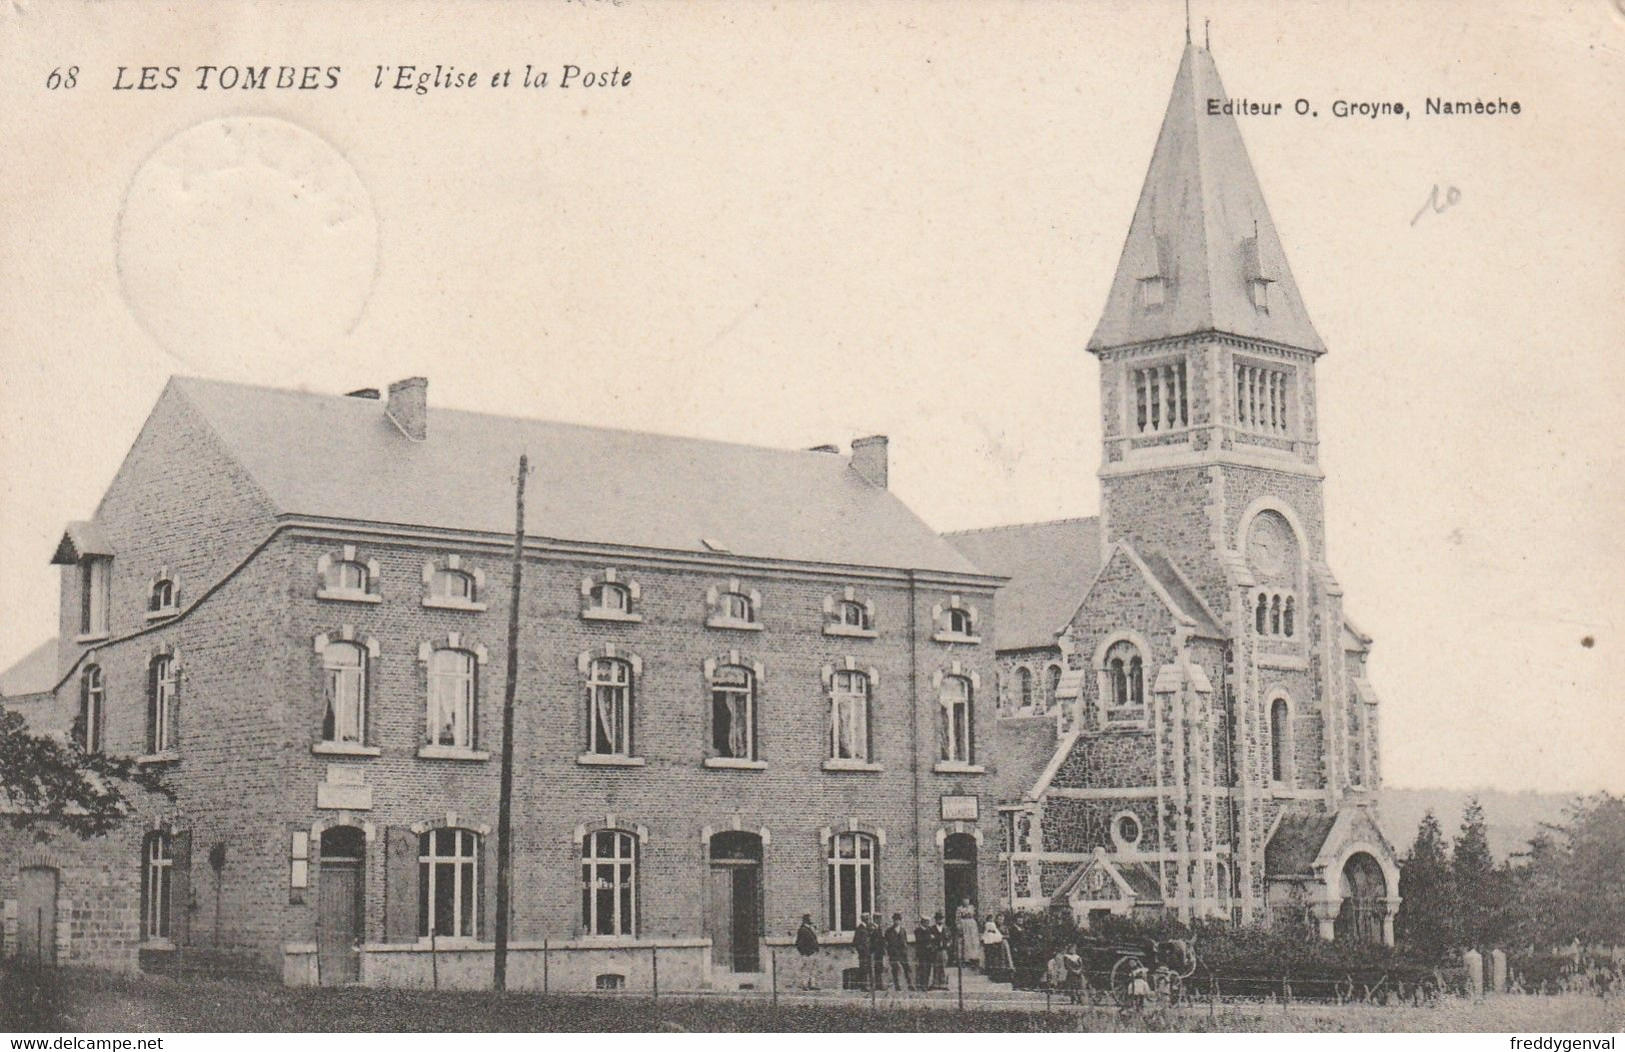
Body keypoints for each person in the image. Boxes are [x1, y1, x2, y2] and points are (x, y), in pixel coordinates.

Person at [885, 912, 913, 991]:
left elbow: (905, 941)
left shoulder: (903, 930)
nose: (896, 922)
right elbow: (886, 943)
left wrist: (905, 949)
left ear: (900, 921)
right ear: (893, 921)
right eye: (895, 920)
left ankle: (910, 984)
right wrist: (890, 952)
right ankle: (897, 986)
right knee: (895, 969)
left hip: (902, 953)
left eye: (898, 920)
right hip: (894, 954)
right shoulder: (889, 931)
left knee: (907, 968)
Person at [794, 913, 820, 990]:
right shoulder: (803, 930)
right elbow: (799, 943)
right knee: (807, 969)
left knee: (813, 969)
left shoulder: (809, 929)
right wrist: (806, 952)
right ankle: (805, 985)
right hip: (808, 953)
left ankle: (812, 984)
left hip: (812, 952)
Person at [913, 916, 936, 992]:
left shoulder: (929, 929)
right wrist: (929, 937)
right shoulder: (918, 931)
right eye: (926, 922)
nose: (927, 923)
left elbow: (934, 939)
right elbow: (920, 940)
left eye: (928, 922)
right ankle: (921, 985)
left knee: (928, 969)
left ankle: (926, 985)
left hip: (929, 953)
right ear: (923, 922)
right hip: (922, 953)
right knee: (922, 969)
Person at [853, 913, 875, 990]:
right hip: (863, 953)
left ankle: (867, 985)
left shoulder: (866, 928)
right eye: (868, 919)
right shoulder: (860, 928)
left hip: (867, 952)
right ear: (865, 919)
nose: (869, 920)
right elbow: (856, 942)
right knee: (863, 969)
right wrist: (861, 950)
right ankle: (863, 985)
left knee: (867, 968)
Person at [956, 901, 981, 969]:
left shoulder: (971, 907)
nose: (966, 901)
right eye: (964, 900)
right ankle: (965, 960)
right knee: (965, 943)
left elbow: (974, 915)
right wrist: (959, 926)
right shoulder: (960, 908)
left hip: (971, 926)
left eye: (967, 900)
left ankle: (973, 960)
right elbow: (957, 919)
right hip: (964, 925)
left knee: (973, 943)